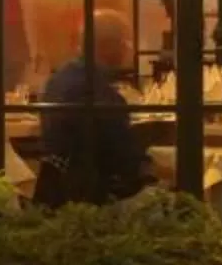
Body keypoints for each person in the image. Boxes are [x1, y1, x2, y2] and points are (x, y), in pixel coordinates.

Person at [36, 11, 152, 202]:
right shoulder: (102, 94)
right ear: (109, 46)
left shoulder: (57, 80)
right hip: (94, 197)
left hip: (55, 190)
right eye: (126, 43)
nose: (128, 50)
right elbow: (124, 162)